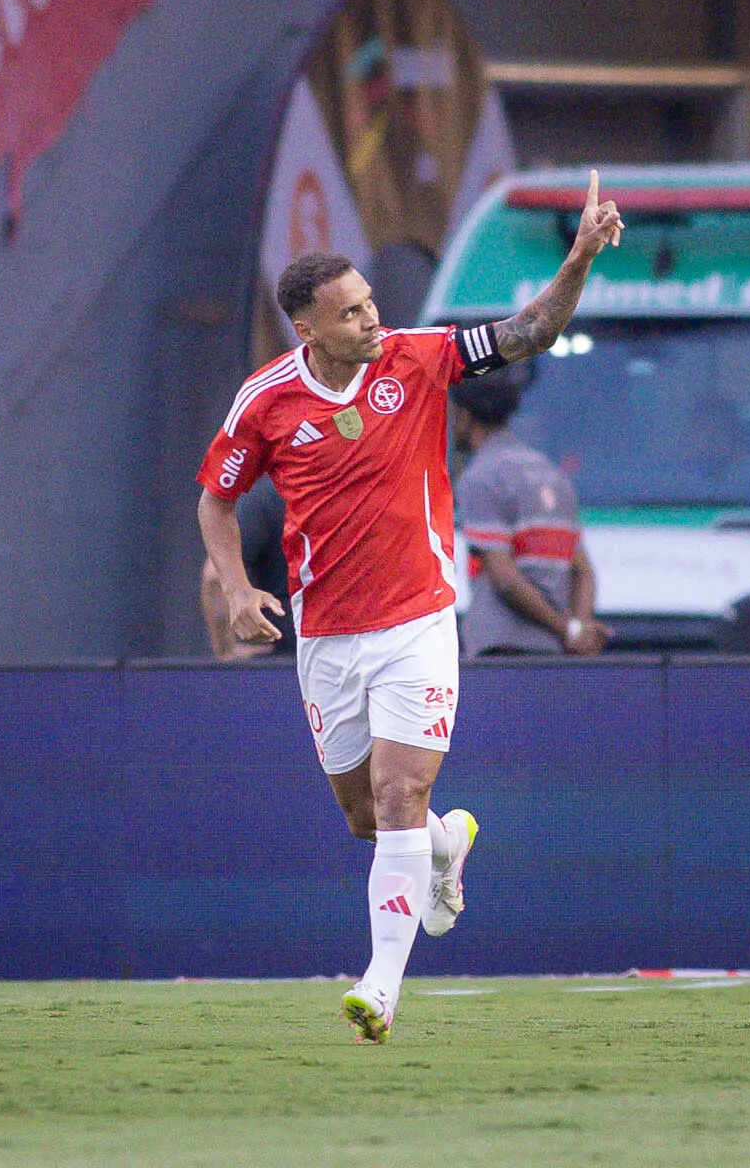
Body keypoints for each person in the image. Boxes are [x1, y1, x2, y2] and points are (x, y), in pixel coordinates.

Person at [196, 177, 625, 1043]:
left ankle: (379, 988)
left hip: (419, 621)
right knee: (367, 817)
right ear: (306, 327)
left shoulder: (419, 358)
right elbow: (214, 499)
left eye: (369, 303)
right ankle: (445, 844)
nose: (370, 320)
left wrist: (578, 257)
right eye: (349, 313)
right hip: (327, 637)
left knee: (396, 793)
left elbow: (531, 330)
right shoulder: (266, 401)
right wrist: (239, 588)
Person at [450, 370, 604, 655]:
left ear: (464, 415)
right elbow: (583, 572)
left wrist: (568, 630)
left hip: (502, 650)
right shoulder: (552, 473)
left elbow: (505, 580)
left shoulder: (481, 477)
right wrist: (578, 630)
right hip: (554, 654)